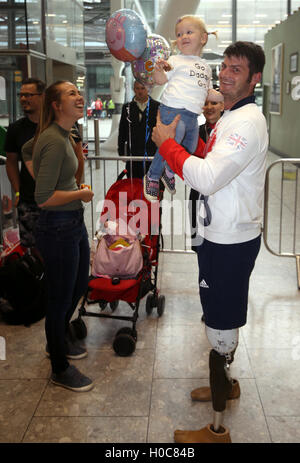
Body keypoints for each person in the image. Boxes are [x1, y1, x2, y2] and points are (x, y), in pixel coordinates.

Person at [151, 41, 268, 443]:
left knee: (219, 328)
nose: (226, 74)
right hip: (216, 233)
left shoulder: (246, 122)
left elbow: (207, 177)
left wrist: (166, 142)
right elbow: (207, 160)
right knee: (216, 317)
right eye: (225, 67)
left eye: (237, 70)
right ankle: (228, 384)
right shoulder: (229, 116)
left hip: (229, 242)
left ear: (255, 78)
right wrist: (185, 141)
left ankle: (218, 429)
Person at [29, 80, 94, 392]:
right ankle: (59, 366)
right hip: (57, 227)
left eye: (78, 93)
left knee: (79, 285)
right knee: (59, 299)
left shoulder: (63, 135)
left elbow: (35, 155)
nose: (79, 97)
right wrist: (79, 195)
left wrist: (74, 192)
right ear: (56, 105)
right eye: (71, 94)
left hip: (71, 223)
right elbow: (42, 198)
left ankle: (56, 341)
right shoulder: (54, 140)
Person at [143, 14, 216, 201]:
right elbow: (160, 81)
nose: (183, 37)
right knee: (171, 141)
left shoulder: (205, 67)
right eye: (179, 34)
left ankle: (169, 170)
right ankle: (152, 175)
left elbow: (207, 92)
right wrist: (158, 69)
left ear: (203, 38)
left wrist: (224, 95)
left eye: (189, 32)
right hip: (172, 109)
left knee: (189, 146)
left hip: (192, 115)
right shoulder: (175, 60)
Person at [5, 78, 45, 248]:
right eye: (21, 95)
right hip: (28, 202)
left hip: (58, 201)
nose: (23, 99)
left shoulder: (58, 126)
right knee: (31, 252)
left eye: (29, 95)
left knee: (58, 252)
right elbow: (11, 162)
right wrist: (17, 192)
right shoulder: (15, 129)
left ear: (42, 96)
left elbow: (78, 157)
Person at [118, 80, 160, 179]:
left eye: (143, 88)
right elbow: (122, 131)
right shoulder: (127, 108)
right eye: (137, 88)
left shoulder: (157, 107)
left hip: (152, 155)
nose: (140, 91)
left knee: (153, 187)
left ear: (148, 89)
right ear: (134, 89)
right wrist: (121, 152)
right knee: (133, 186)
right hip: (133, 155)